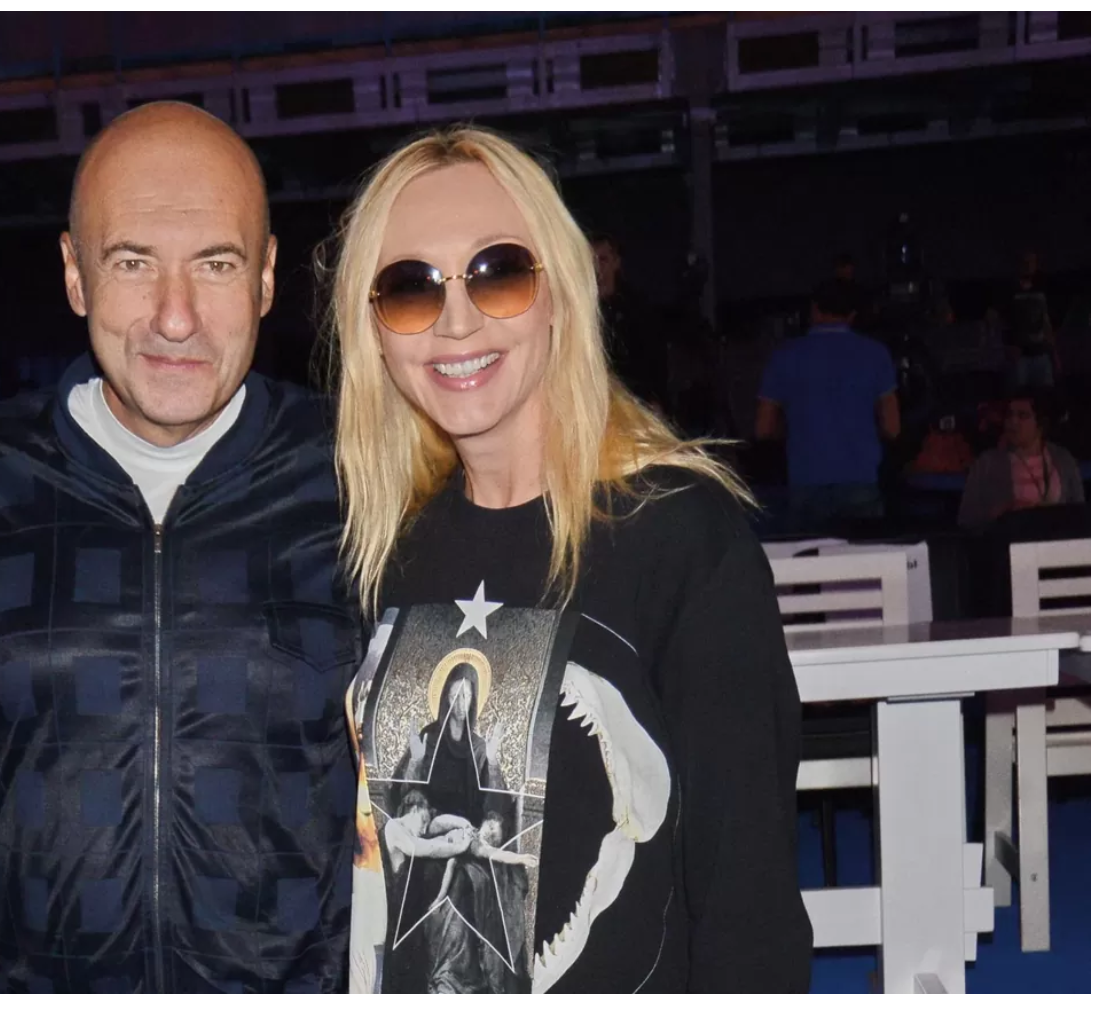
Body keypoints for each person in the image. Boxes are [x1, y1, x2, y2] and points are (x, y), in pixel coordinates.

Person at [0, 102, 361, 993]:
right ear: (75, 274)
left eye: (216, 263)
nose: (175, 317)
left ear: (267, 278)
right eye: (132, 263)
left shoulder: (356, 466)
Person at [326, 126, 810, 994]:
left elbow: (749, 903)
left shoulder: (679, 537)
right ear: (374, 330)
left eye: (498, 273)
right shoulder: (387, 551)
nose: (457, 320)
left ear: (562, 292)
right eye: (410, 287)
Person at [756, 278, 901, 533]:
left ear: (814, 309)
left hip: (806, 481)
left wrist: (795, 431)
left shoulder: (785, 356)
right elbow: (893, 428)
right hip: (860, 480)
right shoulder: (876, 354)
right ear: (853, 314)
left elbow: (763, 429)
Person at [957, 389, 1086, 530]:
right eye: (1009, 415)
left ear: (1040, 423)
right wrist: (998, 515)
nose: (1013, 422)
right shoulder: (987, 464)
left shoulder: (1063, 460)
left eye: (1022, 415)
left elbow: (1079, 514)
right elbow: (966, 519)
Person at [592, 233, 668, 412]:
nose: (597, 268)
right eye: (592, 261)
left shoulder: (636, 309)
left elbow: (653, 359)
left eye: (603, 260)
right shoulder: (583, 308)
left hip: (633, 402)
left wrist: (654, 399)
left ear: (616, 262)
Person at [989, 250, 1059, 390]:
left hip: (1041, 354)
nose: (1029, 266)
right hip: (1019, 358)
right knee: (1019, 395)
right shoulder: (1009, 289)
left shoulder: (1041, 288)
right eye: (1026, 262)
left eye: (1032, 262)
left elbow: (1046, 322)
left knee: (1045, 394)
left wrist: (1054, 355)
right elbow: (991, 317)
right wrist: (1005, 345)